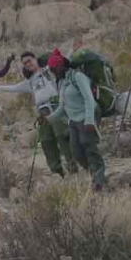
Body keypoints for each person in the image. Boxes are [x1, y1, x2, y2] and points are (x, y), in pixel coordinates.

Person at [0, 51, 75, 177]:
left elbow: (64, 60)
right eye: (25, 63)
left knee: (62, 136)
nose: (28, 64)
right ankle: (57, 172)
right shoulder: (30, 81)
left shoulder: (49, 70)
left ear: (35, 59)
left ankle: (73, 168)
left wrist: (73, 50)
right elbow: (15, 87)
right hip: (42, 112)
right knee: (46, 140)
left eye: (29, 60)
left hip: (56, 107)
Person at [41, 48, 106, 191]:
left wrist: (89, 121)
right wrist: (48, 119)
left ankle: (99, 179)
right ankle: (94, 174)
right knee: (76, 152)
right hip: (73, 121)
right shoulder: (63, 83)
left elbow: (89, 99)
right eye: (51, 69)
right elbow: (62, 107)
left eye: (54, 68)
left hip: (86, 117)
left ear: (61, 66)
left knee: (89, 147)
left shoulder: (78, 77)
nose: (52, 71)